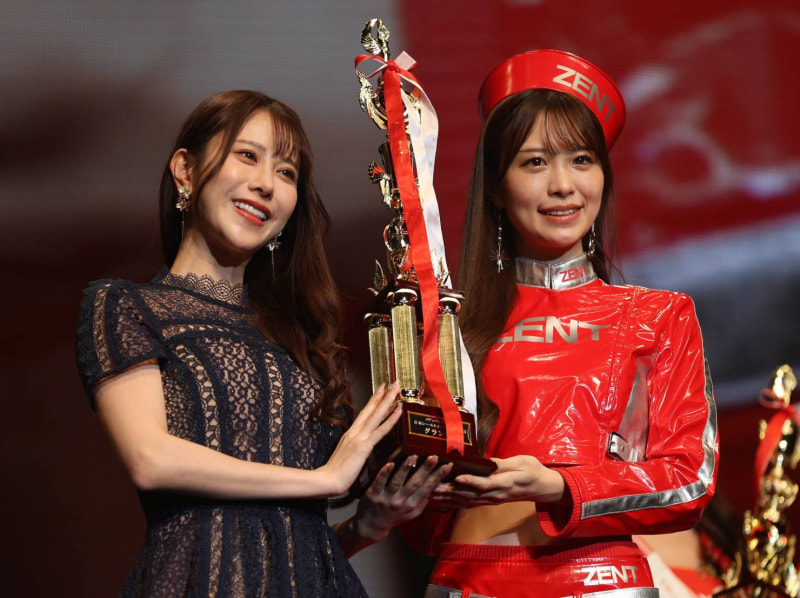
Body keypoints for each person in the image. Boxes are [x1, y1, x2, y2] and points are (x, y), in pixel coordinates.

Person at [75, 90, 451, 597]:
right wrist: (326, 479)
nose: (266, 184)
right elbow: (151, 459)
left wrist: (365, 526)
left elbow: (289, 543)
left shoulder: (299, 338)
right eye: (247, 155)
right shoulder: (127, 305)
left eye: (287, 172)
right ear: (185, 170)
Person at [407, 50, 719, 597]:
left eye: (581, 159)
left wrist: (558, 485)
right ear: (496, 187)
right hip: (466, 581)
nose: (563, 185)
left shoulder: (660, 315)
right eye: (534, 162)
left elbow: (689, 479)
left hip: (603, 584)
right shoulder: (448, 323)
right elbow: (418, 516)